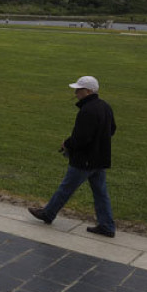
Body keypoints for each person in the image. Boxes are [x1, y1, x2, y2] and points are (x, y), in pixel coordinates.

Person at [29, 76, 117, 237]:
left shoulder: (87, 110)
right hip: (100, 159)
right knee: (100, 193)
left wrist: (67, 144)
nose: (76, 93)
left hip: (85, 160)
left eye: (79, 90)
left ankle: (48, 213)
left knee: (66, 188)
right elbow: (111, 130)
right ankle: (107, 225)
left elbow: (81, 138)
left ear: (88, 91)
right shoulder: (105, 106)